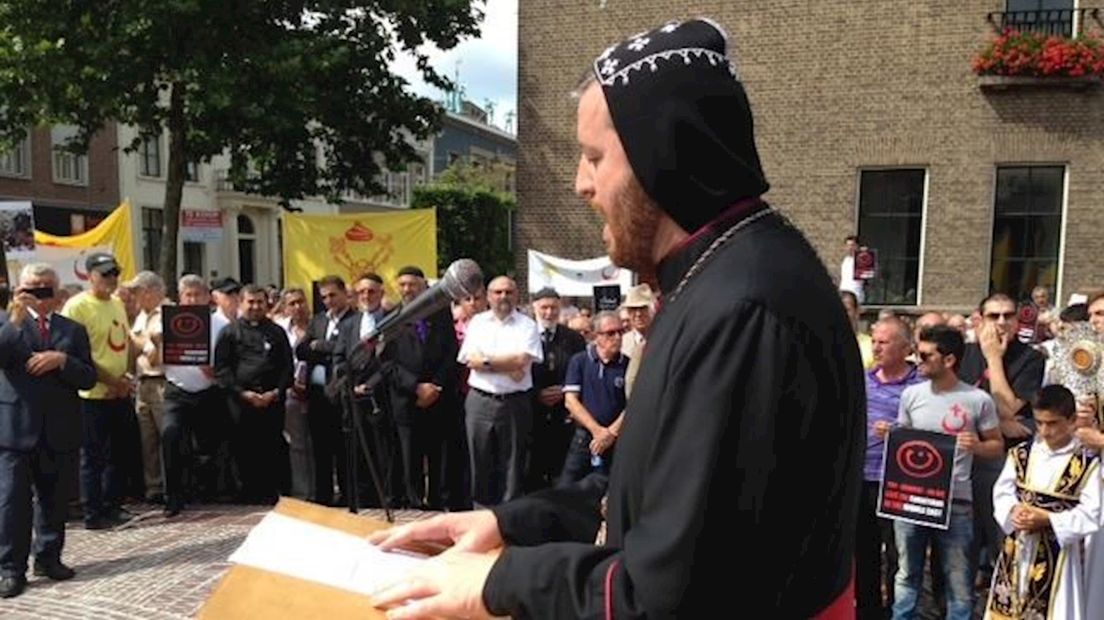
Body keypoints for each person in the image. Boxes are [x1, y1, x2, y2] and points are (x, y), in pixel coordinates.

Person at [370, 18, 865, 618]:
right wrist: (507, 524)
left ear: (662, 157)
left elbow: (672, 597)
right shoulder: (723, 276)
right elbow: (646, 495)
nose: (582, 184)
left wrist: (502, 581)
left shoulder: (744, 310)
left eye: (594, 157)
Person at [874, 326, 1003, 620]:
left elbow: (997, 446)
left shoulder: (977, 400)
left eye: (925, 355)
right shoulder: (911, 395)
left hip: (956, 501)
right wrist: (891, 434)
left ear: (949, 360)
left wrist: (977, 447)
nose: (917, 360)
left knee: (959, 577)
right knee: (907, 574)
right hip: (910, 499)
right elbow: (906, 439)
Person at [0, 264, 95, 598]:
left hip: (59, 427)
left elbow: (88, 377)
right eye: (32, 287)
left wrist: (62, 361)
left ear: (56, 294)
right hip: (14, 429)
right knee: (12, 501)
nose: (39, 293)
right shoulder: (6, 323)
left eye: (45, 288)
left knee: (54, 499)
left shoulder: (73, 330)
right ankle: (10, 568)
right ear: (20, 290)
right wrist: (13, 313)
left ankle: (49, 557)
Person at [984, 385, 1100, 619]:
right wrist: (1013, 510)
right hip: (1016, 549)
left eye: (1053, 423)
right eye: (1039, 423)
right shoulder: (1021, 454)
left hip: (1059, 556)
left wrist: (1049, 519)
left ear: (1072, 420)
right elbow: (1002, 492)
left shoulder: (1087, 464)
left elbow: (1094, 512)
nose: (1045, 431)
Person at [60, 252, 134, 530]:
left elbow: (123, 343)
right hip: (91, 395)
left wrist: (124, 378)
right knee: (93, 456)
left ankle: (112, 505)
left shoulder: (116, 303)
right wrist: (110, 382)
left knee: (119, 453)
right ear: (89, 275)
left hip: (119, 390)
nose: (111, 279)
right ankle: (93, 512)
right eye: (105, 274)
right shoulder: (76, 307)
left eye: (115, 273)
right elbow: (78, 356)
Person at [213, 285, 293, 504]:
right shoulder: (229, 332)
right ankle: (247, 492)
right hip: (241, 402)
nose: (256, 306)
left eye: (260, 302)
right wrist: (242, 393)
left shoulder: (276, 332)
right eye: (251, 302)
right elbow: (222, 369)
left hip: (271, 400)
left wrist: (276, 391)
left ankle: (271, 492)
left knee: (271, 446)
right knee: (243, 447)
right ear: (241, 303)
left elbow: (287, 366)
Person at [160, 275, 230, 516]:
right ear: (180, 298)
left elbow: (229, 360)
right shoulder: (167, 322)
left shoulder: (220, 325)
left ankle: (205, 491)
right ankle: (173, 497)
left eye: (197, 295)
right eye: (188, 295)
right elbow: (150, 356)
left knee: (208, 445)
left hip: (208, 391)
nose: (192, 300)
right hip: (177, 390)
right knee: (171, 436)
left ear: (206, 297)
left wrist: (215, 372)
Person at [526, 287, 586, 492]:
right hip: (532, 411)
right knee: (531, 467)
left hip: (563, 412)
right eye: (544, 308)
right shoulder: (525, 334)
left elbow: (579, 369)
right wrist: (537, 394)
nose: (549, 313)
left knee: (560, 468)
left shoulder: (573, 339)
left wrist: (566, 390)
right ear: (534, 307)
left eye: (553, 308)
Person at [558, 311, 628, 485]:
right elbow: (571, 401)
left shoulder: (628, 364)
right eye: (611, 333)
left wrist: (610, 433)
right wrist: (597, 431)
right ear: (596, 336)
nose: (618, 337)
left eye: (620, 332)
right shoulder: (580, 361)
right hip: (584, 438)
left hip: (616, 440)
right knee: (567, 488)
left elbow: (633, 404)